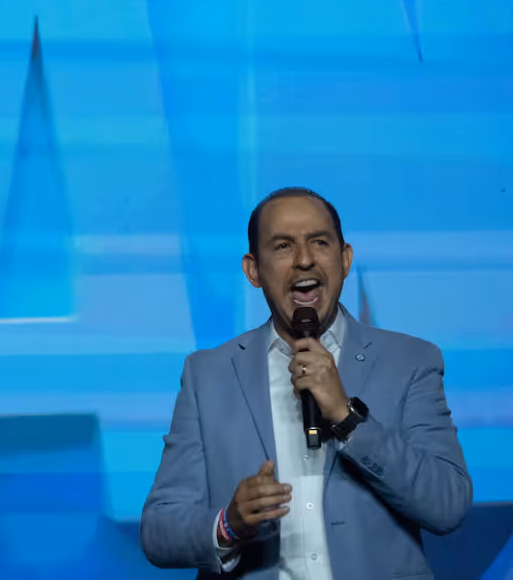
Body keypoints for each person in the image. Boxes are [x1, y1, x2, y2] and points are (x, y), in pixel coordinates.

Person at [140, 187, 472, 578]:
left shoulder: (410, 361)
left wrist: (347, 418)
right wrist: (229, 524)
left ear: (345, 259)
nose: (304, 260)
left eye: (319, 242)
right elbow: (159, 530)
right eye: (283, 246)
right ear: (253, 270)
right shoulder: (208, 375)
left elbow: (447, 505)